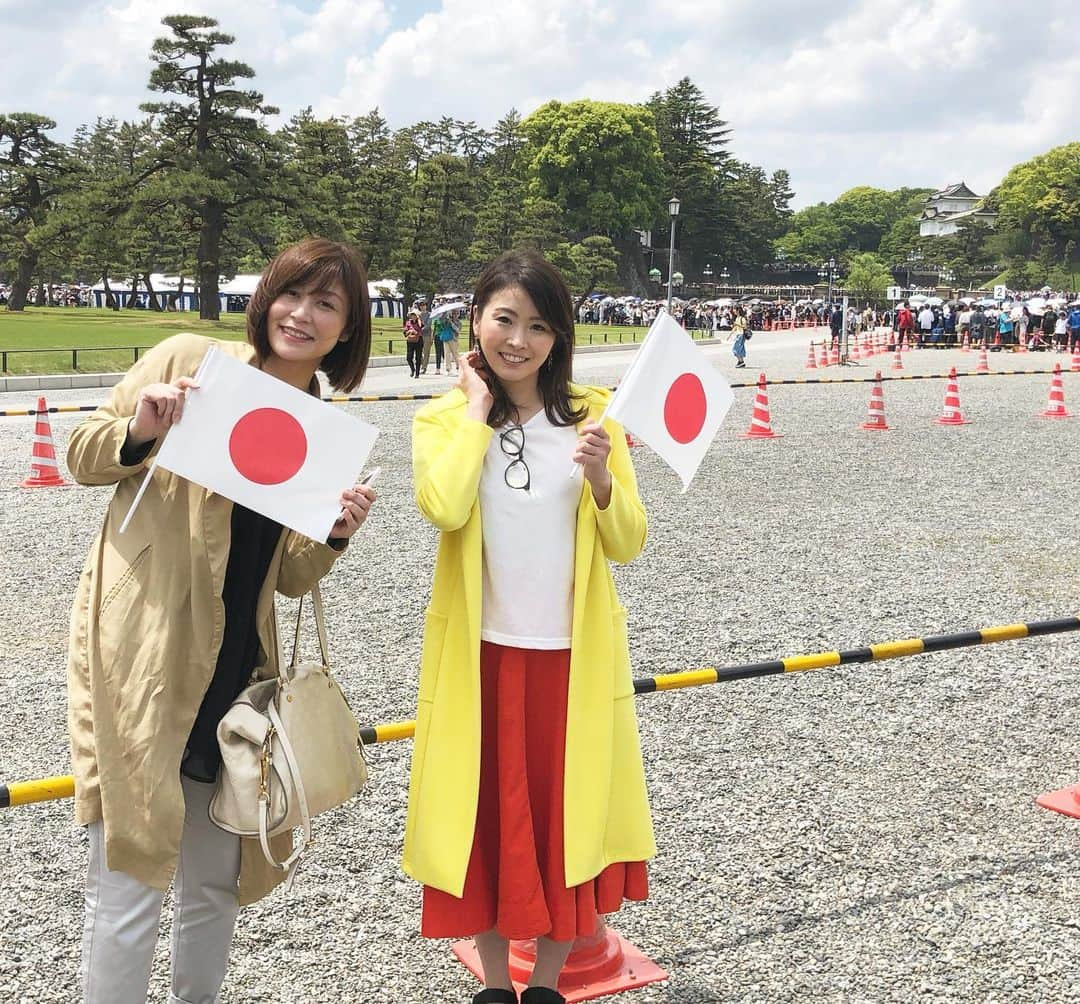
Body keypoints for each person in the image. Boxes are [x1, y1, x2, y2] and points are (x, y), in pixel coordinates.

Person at [66, 237, 379, 1004]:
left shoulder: (318, 428)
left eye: (326, 304)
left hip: (240, 671)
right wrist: (142, 430)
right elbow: (81, 453)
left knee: (214, 884)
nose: (301, 315)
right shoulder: (191, 362)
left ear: (347, 331)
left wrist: (336, 533)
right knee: (130, 876)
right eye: (292, 293)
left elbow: (291, 576)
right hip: (145, 656)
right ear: (266, 295)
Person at [404, 249, 655, 1004]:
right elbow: (442, 508)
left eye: (539, 325)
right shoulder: (442, 418)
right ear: (476, 319)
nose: (518, 339)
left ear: (560, 335)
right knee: (480, 817)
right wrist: (479, 414)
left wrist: (604, 478)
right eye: (504, 319)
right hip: (478, 654)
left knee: (559, 818)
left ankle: (545, 984)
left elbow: (630, 543)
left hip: (569, 657)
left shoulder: (593, 412)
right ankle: (491, 981)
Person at [405, 307, 424, 378]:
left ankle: (417, 373)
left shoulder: (419, 322)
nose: (413, 316)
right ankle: (412, 369)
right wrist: (409, 331)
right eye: (412, 315)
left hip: (418, 341)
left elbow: (421, 328)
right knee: (409, 358)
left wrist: (416, 332)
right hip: (410, 341)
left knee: (418, 357)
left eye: (414, 315)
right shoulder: (408, 322)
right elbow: (405, 332)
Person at [419, 300, 435, 374]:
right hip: (419, 335)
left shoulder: (429, 314)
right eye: (421, 306)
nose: (422, 307)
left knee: (426, 352)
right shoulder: (418, 315)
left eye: (424, 305)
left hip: (427, 335)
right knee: (419, 351)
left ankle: (424, 367)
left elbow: (428, 325)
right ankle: (421, 364)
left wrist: (420, 329)